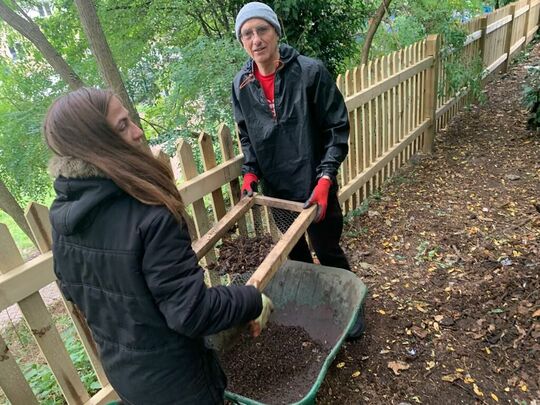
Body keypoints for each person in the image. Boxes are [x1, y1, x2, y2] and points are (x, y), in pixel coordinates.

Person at [44, 87, 273, 404]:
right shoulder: (150, 213)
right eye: (122, 126)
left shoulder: (63, 217)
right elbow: (192, 313)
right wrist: (252, 299)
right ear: (96, 144)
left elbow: (76, 292)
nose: (138, 132)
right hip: (179, 386)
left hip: (127, 379)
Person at [232, 2, 365, 339]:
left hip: (314, 182)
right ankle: (319, 307)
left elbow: (337, 130)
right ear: (242, 41)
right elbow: (247, 134)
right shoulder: (241, 85)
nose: (256, 39)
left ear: (276, 32)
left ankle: (352, 308)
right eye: (247, 33)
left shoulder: (310, 73)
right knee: (296, 252)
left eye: (262, 29)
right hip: (278, 190)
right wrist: (250, 171)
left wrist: (325, 179)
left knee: (327, 249)